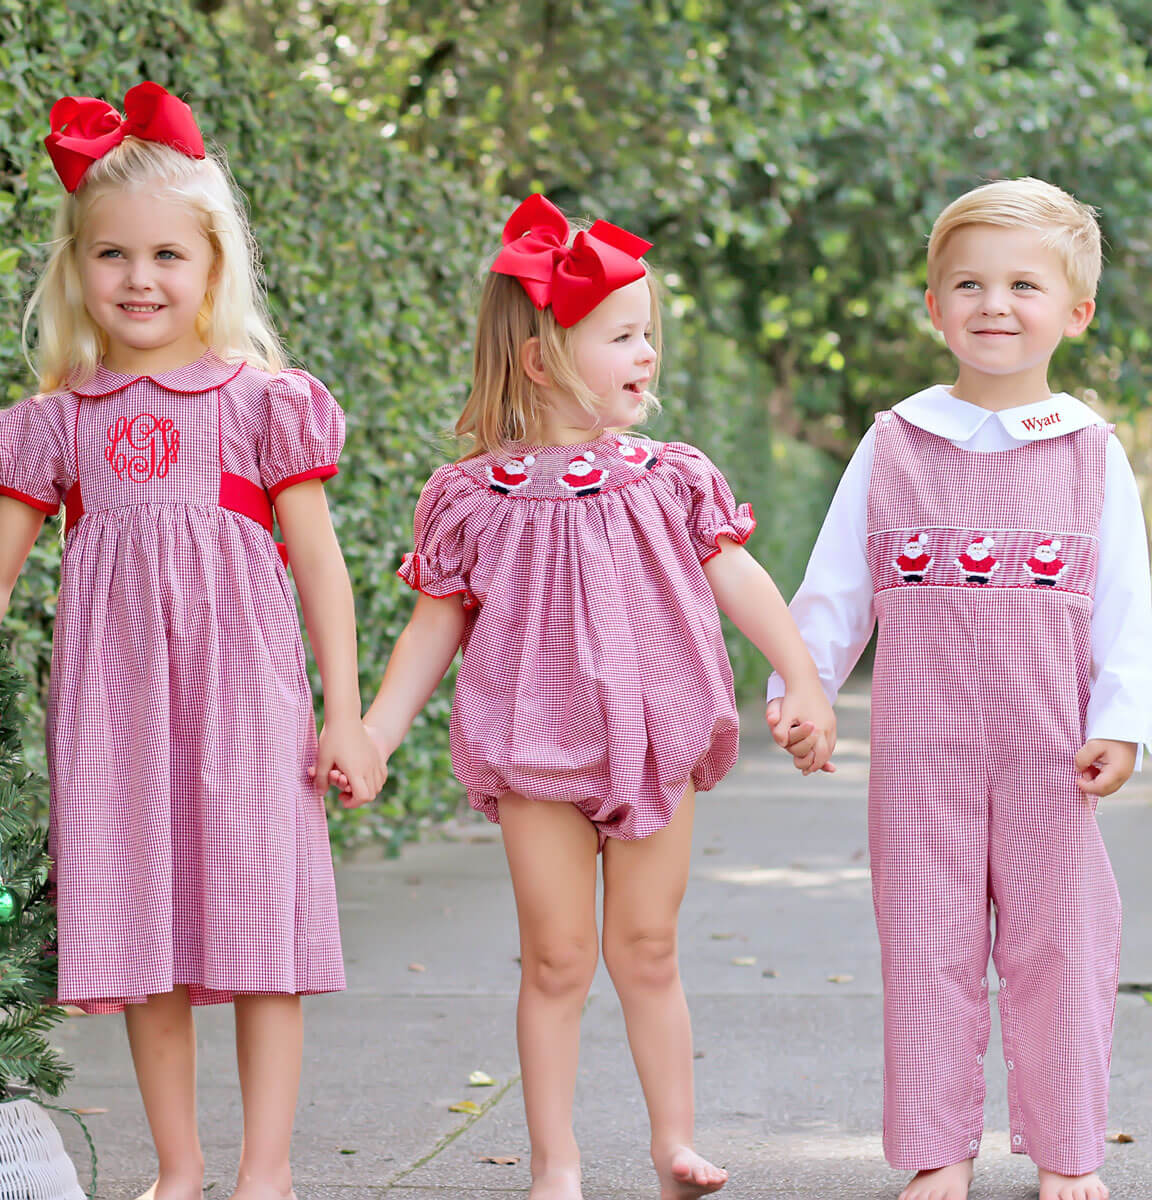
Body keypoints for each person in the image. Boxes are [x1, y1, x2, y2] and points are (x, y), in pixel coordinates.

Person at [331, 194, 836, 1200]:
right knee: (556, 959)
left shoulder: (671, 476)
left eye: (648, 333)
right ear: (540, 361)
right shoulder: (475, 495)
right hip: (536, 752)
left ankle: (674, 1143)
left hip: (653, 740)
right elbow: (436, 623)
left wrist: (804, 678)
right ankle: (555, 1163)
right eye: (622, 336)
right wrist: (375, 730)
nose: (645, 352)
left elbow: (737, 575)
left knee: (647, 947)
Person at [0, 82, 385, 1200]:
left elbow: (321, 565)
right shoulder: (61, 422)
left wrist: (346, 710)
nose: (139, 279)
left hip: (246, 702)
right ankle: (180, 1170)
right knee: (143, 934)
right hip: (116, 712)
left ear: (212, 266)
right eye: (111, 255)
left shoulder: (261, 403)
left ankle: (266, 1171)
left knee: (260, 933)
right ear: (76, 268)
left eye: (165, 255)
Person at [766, 177, 1152, 1200]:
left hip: (1049, 753)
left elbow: (1126, 605)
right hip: (919, 752)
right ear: (932, 306)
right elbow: (836, 585)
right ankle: (938, 1150)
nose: (994, 303)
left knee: (1060, 948)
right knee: (925, 945)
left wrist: (1121, 725)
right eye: (968, 283)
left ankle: (1068, 1152)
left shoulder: (1089, 452)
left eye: (1024, 284)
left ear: (1075, 311)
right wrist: (799, 688)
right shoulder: (895, 441)